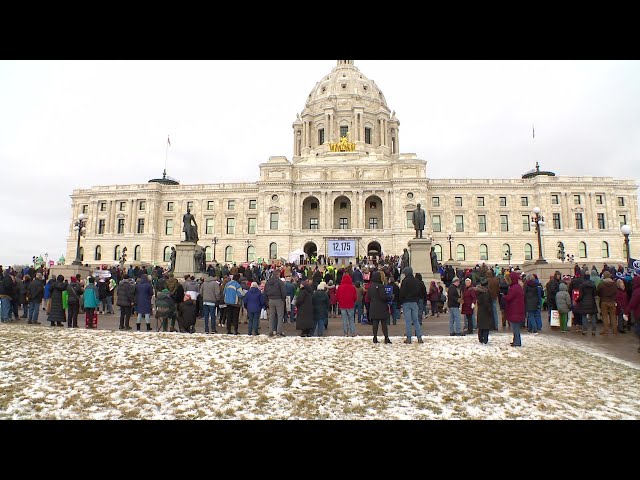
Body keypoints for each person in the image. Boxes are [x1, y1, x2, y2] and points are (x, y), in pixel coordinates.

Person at [399, 266, 423, 343]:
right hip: (414, 302)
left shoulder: (405, 281)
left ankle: (409, 338)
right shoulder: (416, 281)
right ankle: (419, 337)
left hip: (406, 302)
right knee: (416, 320)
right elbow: (419, 292)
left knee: (408, 321)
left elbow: (402, 292)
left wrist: (401, 301)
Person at [368, 271, 392, 344]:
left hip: (373, 307)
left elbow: (368, 297)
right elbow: (383, 297)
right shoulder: (380, 286)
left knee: (375, 324)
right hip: (381, 307)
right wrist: (390, 297)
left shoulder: (371, 286)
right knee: (384, 324)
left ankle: (375, 337)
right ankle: (386, 337)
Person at [503, 271, 525, 347]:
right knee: (515, 327)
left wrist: (504, 296)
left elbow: (509, 297)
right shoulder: (517, 287)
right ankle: (515, 340)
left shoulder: (514, 287)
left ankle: (517, 342)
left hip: (515, 310)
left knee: (515, 328)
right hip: (516, 309)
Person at [336, 273, 357, 337]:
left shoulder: (340, 287)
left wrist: (339, 301)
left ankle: (345, 333)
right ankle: (352, 332)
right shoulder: (352, 287)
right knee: (351, 319)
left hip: (342, 305)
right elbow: (355, 297)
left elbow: (337, 296)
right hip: (350, 305)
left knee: (344, 320)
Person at [475, 278, 492, 344]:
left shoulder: (479, 292)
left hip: (480, 310)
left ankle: (480, 339)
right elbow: (487, 303)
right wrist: (490, 310)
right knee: (485, 326)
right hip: (485, 311)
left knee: (481, 326)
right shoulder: (486, 293)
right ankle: (485, 339)